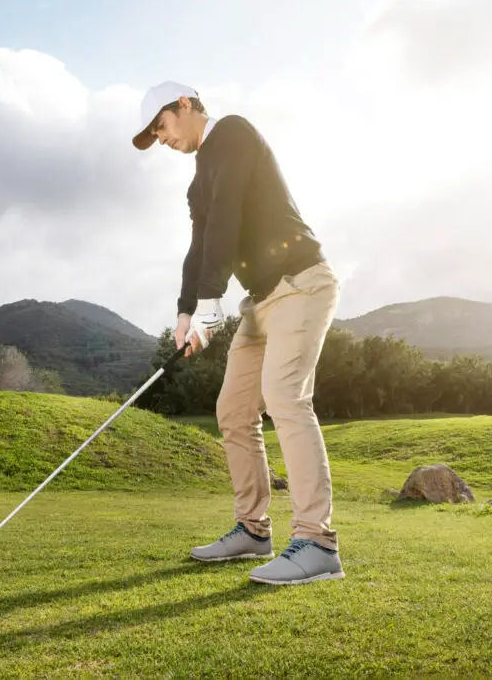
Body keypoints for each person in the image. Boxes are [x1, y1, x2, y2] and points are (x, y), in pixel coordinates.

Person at [131, 81, 344, 586]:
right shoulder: (197, 182)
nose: (160, 138)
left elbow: (227, 218)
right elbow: (201, 246)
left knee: (285, 397)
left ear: (185, 105)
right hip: (262, 302)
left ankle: (317, 542)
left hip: (302, 284)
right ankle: (253, 529)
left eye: (161, 126)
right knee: (232, 411)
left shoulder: (232, 133)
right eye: (152, 135)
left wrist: (210, 301)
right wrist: (186, 313)